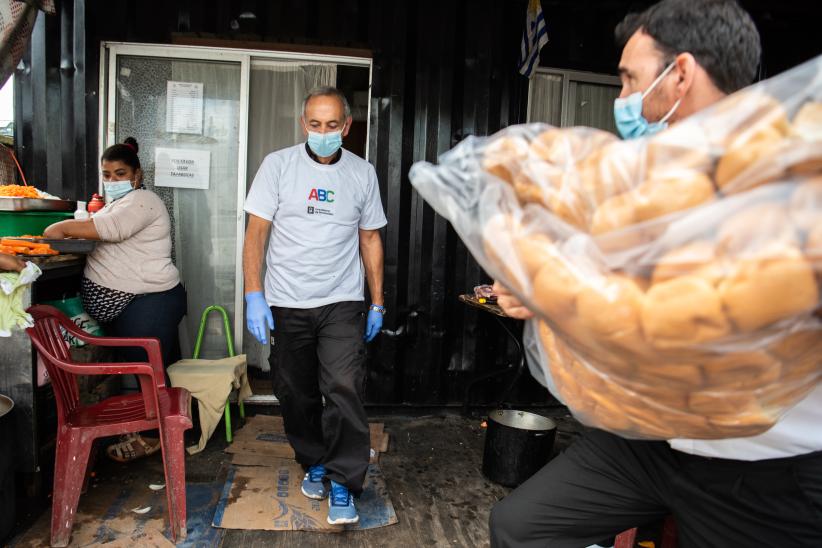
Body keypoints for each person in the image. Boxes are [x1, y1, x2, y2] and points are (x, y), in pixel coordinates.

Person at [489, 1, 822, 547]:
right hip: (650, 444)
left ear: (682, 75)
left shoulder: (794, 180)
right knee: (522, 528)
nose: (620, 100)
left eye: (628, 81)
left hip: (765, 471)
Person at [243, 86, 387, 525]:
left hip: (342, 300)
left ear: (346, 126)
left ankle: (344, 481)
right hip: (288, 300)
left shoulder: (362, 174)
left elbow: (370, 238)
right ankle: (315, 460)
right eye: (314, 124)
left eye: (332, 125)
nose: (322, 133)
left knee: (343, 386)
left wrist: (377, 302)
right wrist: (254, 294)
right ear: (303, 123)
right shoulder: (278, 167)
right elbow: (256, 234)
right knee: (293, 390)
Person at [44, 137, 187, 462]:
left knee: (150, 371)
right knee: (146, 372)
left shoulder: (144, 200)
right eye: (106, 174)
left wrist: (60, 226)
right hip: (137, 303)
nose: (112, 181)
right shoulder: (118, 204)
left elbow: (111, 229)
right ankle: (156, 431)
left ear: (136, 176)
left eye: (119, 173)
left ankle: (154, 437)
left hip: (151, 301)